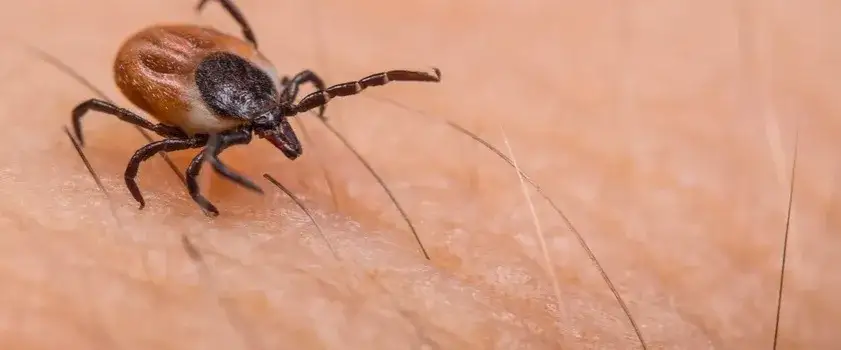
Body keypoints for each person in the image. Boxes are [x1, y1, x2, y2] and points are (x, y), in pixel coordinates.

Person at [0, 0, 838, 348]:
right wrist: (200, 178)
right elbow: (177, 152)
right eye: (267, 126)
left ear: (268, 87)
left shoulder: (264, 90)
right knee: (158, 151)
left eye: (280, 118)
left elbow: (274, 97)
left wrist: (270, 114)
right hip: (176, 83)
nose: (279, 131)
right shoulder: (210, 121)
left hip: (220, 80)